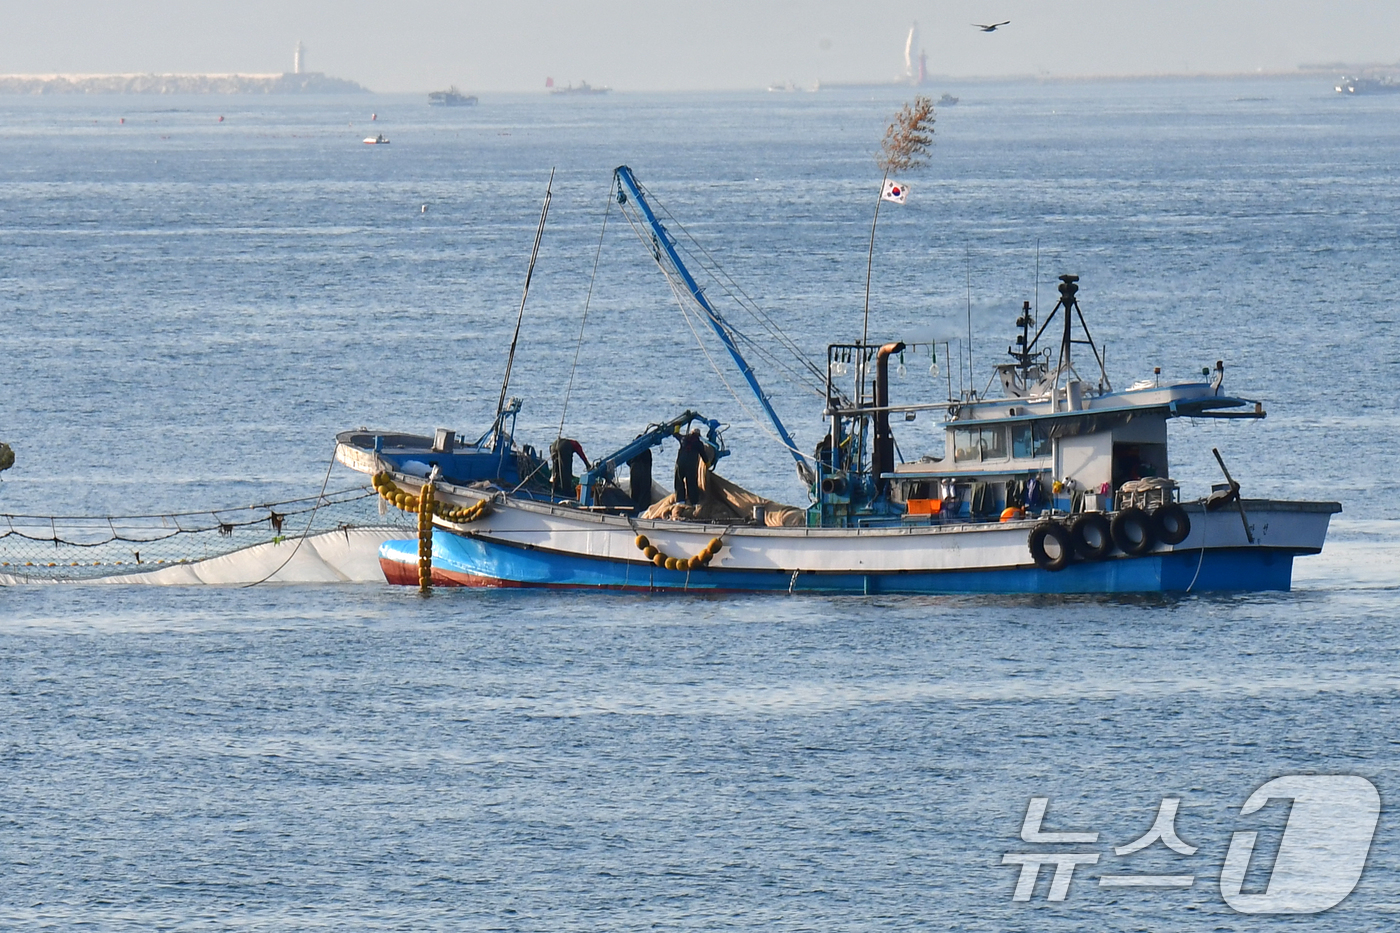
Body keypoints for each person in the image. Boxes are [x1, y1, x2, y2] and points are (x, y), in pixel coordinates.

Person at [674, 429, 704, 506]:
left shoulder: (683, 438)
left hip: (680, 463)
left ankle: (680, 500)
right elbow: (704, 455)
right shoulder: (699, 443)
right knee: (691, 483)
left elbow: (676, 434)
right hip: (691, 465)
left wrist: (677, 426)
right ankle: (694, 502)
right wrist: (708, 464)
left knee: (679, 481)